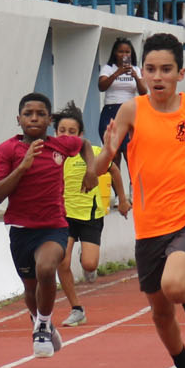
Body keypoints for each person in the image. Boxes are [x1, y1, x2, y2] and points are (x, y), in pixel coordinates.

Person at [83, 32, 185, 368]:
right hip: (149, 226)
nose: (158, 76)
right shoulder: (131, 111)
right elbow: (99, 169)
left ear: (180, 73)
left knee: (175, 285)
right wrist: (106, 150)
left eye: (166, 70)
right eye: (151, 69)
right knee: (160, 313)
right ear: (142, 72)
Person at [0, 93, 92, 358]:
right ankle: (40, 320)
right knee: (30, 288)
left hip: (53, 226)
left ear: (49, 120)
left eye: (39, 114)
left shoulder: (59, 145)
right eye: (28, 113)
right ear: (19, 119)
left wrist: (91, 170)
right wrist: (23, 166)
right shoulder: (5, 151)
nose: (33, 118)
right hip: (21, 230)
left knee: (47, 268)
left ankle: (43, 327)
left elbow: (84, 144)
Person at [53, 102, 129, 327]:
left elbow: (114, 169)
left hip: (90, 215)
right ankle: (76, 308)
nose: (66, 135)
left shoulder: (93, 153)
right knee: (61, 261)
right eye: (62, 131)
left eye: (72, 132)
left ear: (81, 134)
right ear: (55, 133)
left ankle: (87, 262)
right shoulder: (52, 156)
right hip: (63, 216)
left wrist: (122, 200)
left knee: (88, 264)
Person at [97, 37, 145, 168]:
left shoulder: (136, 69)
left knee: (129, 154)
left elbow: (143, 92)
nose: (124, 55)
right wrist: (117, 73)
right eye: (121, 52)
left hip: (130, 111)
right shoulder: (109, 68)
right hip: (111, 111)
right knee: (114, 154)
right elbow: (101, 86)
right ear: (114, 53)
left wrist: (136, 77)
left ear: (132, 54)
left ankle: (134, 187)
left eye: (127, 52)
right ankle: (117, 188)